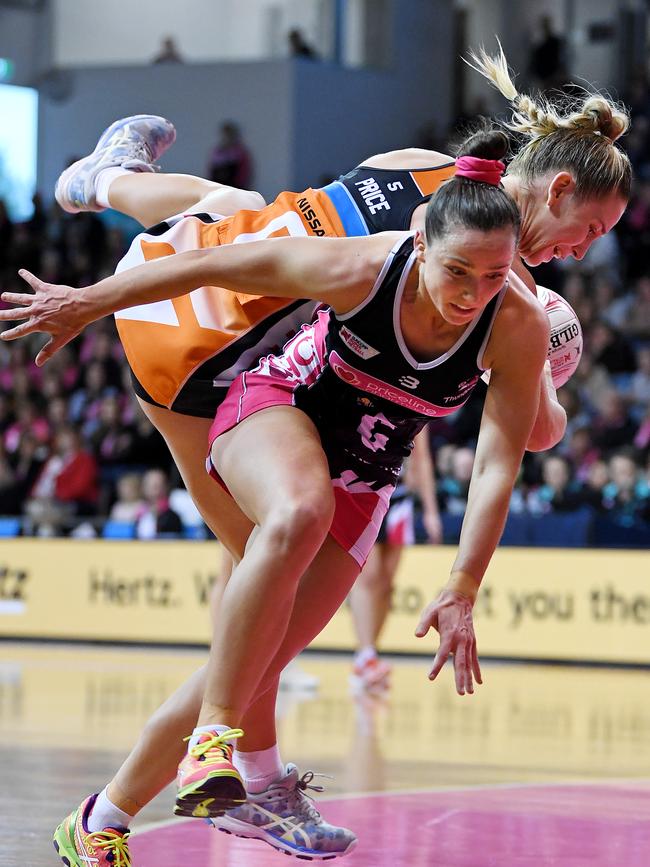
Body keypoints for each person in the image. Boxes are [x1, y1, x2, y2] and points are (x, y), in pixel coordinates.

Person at [0, 44, 631, 864]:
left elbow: (289, 219)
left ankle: (105, 180)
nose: (584, 250)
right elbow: (525, 428)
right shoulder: (467, 276)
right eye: (590, 230)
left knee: (243, 201)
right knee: (263, 621)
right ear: (557, 190)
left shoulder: (434, 181)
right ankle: (143, 803)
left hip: (194, 272)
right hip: (200, 355)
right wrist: (83, 303)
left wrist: (534, 363)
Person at [349, 428, 442, 691]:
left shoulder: (413, 403)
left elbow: (422, 458)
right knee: (368, 578)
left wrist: (430, 512)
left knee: (386, 583)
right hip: (363, 488)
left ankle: (370, 655)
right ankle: (364, 655)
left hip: (399, 498)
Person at [206, 121, 252, 189]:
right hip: (218, 188)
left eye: (229, 134)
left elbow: (244, 174)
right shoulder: (217, 152)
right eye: (225, 134)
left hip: (236, 189)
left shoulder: (240, 152)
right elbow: (211, 171)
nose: (227, 137)